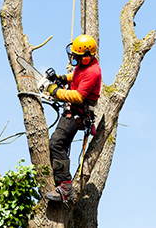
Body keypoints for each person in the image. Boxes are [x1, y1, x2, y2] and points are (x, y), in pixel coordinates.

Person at [44, 35, 102, 202]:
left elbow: (77, 96)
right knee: (56, 145)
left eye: (77, 57)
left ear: (86, 56)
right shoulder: (85, 66)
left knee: (56, 143)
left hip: (77, 113)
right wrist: (61, 78)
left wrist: (55, 91)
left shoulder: (93, 71)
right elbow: (75, 76)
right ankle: (58, 179)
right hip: (71, 111)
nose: (74, 59)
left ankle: (66, 188)